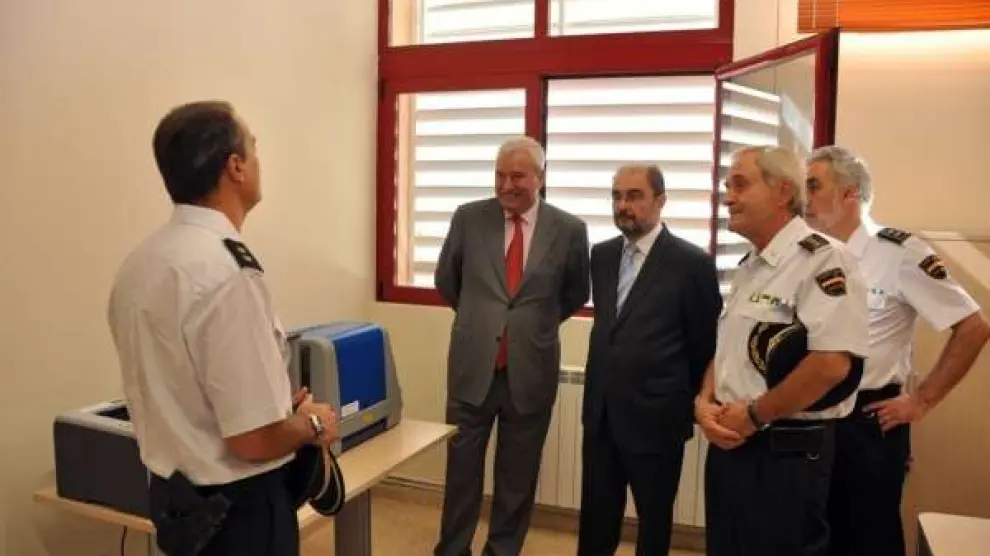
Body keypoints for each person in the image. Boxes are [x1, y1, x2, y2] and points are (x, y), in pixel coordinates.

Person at [107, 100, 340, 556]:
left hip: (177, 504)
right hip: (239, 514)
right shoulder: (228, 273)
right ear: (235, 167)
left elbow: (188, 389)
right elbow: (252, 440)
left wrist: (278, 406)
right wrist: (313, 423)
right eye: (254, 148)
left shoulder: (140, 264)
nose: (258, 160)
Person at [805, 145, 990, 556]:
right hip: (812, 414)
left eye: (814, 186)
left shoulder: (898, 252)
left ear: (849, 193)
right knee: (815, 538)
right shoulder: (811, 255)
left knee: (868, 538)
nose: (805, 197)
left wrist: (921, 400)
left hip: (866, 420)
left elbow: (973, 327)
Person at [695, 145, 870, 556]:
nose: (728, 197)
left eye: (740, 185)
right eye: (727, 186)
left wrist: (754, 415)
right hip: (731, 443)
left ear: (783, 192)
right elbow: (730, 347)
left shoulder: (823, 260)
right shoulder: (750, 266)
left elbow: (831, 365)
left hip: (785, 454)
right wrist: (704, 400)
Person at [433, 135, 591, 556]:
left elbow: (575, 293)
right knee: (461, 473)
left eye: (517, 176)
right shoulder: (468, 218)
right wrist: (483, 321)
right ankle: (452, 550)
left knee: (517, 478)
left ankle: (502, 550)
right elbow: (447, 280)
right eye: (499, 175)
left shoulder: (569, 230)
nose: (506, 185)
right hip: (472, 368)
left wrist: (529, 328)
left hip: (530, 370)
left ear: (540, 176)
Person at [578, 164, 722, 555]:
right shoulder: (602, 255)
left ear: (661, 201)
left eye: (634, 196)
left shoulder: (691, 263)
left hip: (657, 420)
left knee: (653, 526)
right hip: (602, 416)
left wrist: (685, 402)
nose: (622, 205)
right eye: (617, 196)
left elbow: (704, 344)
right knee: (595, 523)